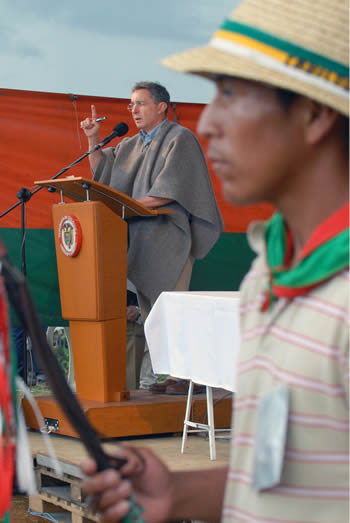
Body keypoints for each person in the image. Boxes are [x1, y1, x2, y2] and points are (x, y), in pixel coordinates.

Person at [80, 0, 349, 521]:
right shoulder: (269, 276)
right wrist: (181, 494)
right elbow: (292, 471)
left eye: (231, 94)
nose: (210, 124)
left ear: (315, 114)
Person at [81, 81, 223, 391]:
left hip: (171, 237)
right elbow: (102, 174)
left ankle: (187, 377)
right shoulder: (131, 144)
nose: (133, 110)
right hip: (140, 238)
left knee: (174, 306)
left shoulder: (180, 138)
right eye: (131, 104)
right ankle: (171, 375)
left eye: (140, 103)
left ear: (161, 106)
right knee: (153, 313)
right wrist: (93, 138)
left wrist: (124, 204)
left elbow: (168, 191)